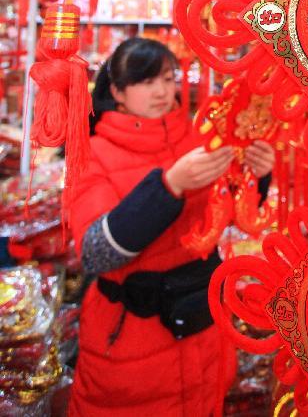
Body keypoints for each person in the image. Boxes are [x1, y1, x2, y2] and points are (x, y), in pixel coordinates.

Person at [68, 37, 274, 416]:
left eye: (167, 78)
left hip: (200, 324)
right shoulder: (93, 154)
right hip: (132, 339)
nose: (162, 91)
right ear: (117, 91)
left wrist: (257, 176)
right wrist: (169, 186)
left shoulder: (196, 137)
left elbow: (225, 212)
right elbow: (96, 253)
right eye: (146, 82)